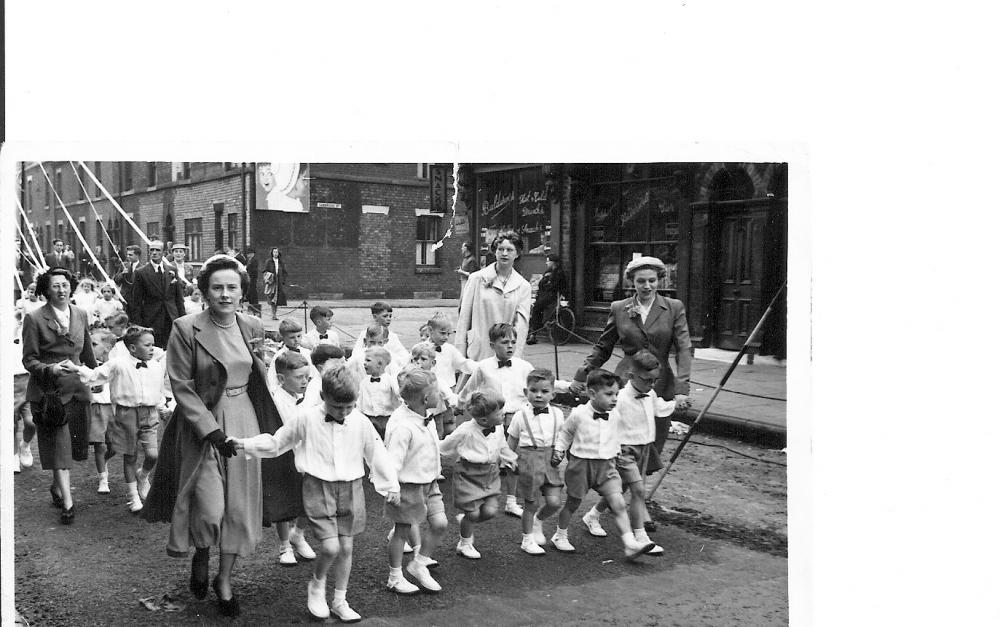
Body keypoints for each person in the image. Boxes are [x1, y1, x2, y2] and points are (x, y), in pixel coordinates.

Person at [141, 254, 301, 619]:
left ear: (243, 291)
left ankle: (224, 579)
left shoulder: (253, 326)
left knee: (239, 508)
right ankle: (201, 552)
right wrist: (211, 432)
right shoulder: (185, 328)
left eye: (232, 287)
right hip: (204, 425)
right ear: (204, 291)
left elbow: (260, 375)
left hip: (244, 418)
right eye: (217, 287)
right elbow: (182, 387)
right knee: (209, 506)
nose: (225, 294)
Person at [235, 366, 400, 621]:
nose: (344, 413)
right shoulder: (306, 418)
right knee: (331, 547)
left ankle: (340, 600)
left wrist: (391, 485)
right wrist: (244, 444)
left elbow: (376, 453)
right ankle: (317, 583)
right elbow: (277, 443)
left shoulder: (360, 421)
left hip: (352, 488)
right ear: (323, 397)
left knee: (346, 547)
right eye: (337, 407)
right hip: (318, 487)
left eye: (349, 407)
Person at [569, 256, 693, 454]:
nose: (647, 286)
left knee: (653, 444)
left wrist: (681, 389)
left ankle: (639, 481)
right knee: (622, 441)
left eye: (652, 280)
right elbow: (603, 347)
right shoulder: (619, 308)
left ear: (660, 280)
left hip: (659, 382)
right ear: (632, 281)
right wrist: (581, 375)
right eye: (640, 281)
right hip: (627, 382)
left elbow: (684, 349)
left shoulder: (673, 307)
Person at [550, 369, 656, 561]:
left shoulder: (615, 415)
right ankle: (560, 534)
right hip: (581, 465)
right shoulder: (579, 414)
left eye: (616, 394)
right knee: (573, 503)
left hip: (607, 465)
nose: (615, 399)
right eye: (609, 394)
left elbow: (618, 436)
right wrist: (559, 450)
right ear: (591, 393)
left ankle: (630, 543)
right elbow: (565, 434)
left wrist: (617, 455)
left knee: (618, 503)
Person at [21, 268, 98, 524]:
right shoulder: (34, 318)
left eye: (65, 285)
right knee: (58, 447)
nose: (62, 290)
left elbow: (87, 353)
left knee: (70, 448)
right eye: (55, 286)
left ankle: (57, 487)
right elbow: (29, 360)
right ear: (46, 289)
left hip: (77, 390)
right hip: (49, 392)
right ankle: (68, 503)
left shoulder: (80, 313)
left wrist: (95, 377)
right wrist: (50, 369)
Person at [579, 351, 673, 555]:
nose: (652, 385)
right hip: (624, 451)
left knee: (619, 490)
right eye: (648, 380)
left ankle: (592, 516)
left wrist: (676, 404)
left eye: (655, 380)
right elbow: (603, 418)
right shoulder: (619, 398)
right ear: (631, 375)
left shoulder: (650, 394)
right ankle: (640, 536)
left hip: (645, 448)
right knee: (639, 491)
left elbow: (659, 408)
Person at [74, 325, 170, 514]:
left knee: (152, 455)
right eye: (148, 345)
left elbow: (158, 390)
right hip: (126, 414)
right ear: (133, 348)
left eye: (153, 345)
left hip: (149, 413)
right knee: (130, 456)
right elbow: (95, 375)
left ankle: (143, 476)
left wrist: (162, 407)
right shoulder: (118, 364)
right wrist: (75, 368)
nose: (153, 349)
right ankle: (133, 496)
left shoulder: (156, 366)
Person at [458, 323, 534, 518]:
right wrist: (460, 404)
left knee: (514, 460)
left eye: (513, 342)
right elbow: (469, 388)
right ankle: (475, 498)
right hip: (493, 420)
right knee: (486, 460)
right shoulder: (484, 367)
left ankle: (511, 500)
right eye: (504, 342)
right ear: (492, 345)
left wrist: (568, 387)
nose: (510, 346)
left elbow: (539, 384)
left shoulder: (524, 367)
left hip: (517, 418)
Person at [383, 367, 448, 594]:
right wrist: (392, 487)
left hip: (430, 483)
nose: (441, 395)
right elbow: (393, 460)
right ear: (426, 398)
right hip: (408, 486)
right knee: (402, 531)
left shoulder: (423, 416)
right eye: (438, 391)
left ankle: (418, 564)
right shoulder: (403, 425)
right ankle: (395, 576)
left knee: (440, 524)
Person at [440, 388, 517, 560]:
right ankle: (465, 543)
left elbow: (502, 446)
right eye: (499, 413)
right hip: (468, 473)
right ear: (483, 419)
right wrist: (432, 448)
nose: (503, 415)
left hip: (490, 473)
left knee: (489, 512)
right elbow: (446, 445)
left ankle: (467, 520)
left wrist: (511, 458)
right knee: (473, 513)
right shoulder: (466, 430)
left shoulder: (496, 428)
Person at [265, 351, 318, 566]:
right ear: (281, 379)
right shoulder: (276, 400)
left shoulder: (306, 397)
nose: (304, 381)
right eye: (299, 377)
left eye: (307, 377)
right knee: (284, 503)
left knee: (309, 501)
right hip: (284, 456)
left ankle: (299, 534)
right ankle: (284, 545)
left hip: (306, 455)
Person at [506, 368, 566, 555]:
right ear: (526, 392)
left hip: (550, 460)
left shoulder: (558, 414)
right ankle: (527, 539)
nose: (538, 395)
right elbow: (512, 441)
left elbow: (562, 437)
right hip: (529, 459)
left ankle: (538, 520)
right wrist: (509, 460)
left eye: (544, 391)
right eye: (534, 390)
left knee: (554, 501)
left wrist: (560, 451)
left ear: (553, 394)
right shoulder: (520, 415)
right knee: (530, 503)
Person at [455, 231, 532, 361]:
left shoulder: (523, 286)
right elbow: (464, 319)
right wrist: (459, 356)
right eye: (500, 249)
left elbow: (521, 326)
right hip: (478, 350)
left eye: (510, 250)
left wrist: (515, 356)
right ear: (495, 251)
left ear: (517, 254)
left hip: (504, 353)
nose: (505, 253)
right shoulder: (477, 279)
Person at [425, 313, 476, 436]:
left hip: (449, 392)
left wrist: (481, 367)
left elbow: (463, 364)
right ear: (430, 330)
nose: (446, 337)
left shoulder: (449, 349)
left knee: (450, 424)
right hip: (433, 394)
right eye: (442, 333)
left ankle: (449, 450)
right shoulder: (422, 350)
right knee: (435, 427)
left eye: (449, 334)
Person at [132, 240, 185, 349]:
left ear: (164, 252)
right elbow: (136, 301)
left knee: (172, 349)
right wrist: (138, 324)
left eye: (158, 250)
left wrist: (183, 320)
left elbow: (179, 298)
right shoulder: (141, 272)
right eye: (152, 250)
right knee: (154, 351)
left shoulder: (172, 270)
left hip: (171, 318)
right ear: (148, 252)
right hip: (152, 320)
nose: (154, 252)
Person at [85, 329, 118, 495]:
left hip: (114, 407)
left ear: (107, 348)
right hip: (97, 407)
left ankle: (102, 462)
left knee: (115, 445)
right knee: (100, 444)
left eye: (94, 344)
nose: (90, 347)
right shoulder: (88, 366)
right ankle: (103, 479)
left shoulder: (115, 365)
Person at [356, 346, 400, 440]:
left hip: (387, 418)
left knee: (388, 439)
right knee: (371, 440)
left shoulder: (390, 380)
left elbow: (399, 396)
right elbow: (360, 401)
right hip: (369, 418)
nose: (364, 363)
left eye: (368, 360)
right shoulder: (364, 382)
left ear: (379, 364)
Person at [526, 254, 568, 345]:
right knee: (536, 309)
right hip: (543, 296)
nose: (546, 263)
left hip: (550, 297)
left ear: (553, 262)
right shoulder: (548, 272)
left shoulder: (559, 273)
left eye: (548, 261)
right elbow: (542, 285)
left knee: (536, 309)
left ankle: (533, 334)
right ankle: (534, 332)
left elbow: (558, 287)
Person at [351, 302, 409, 368]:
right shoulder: (364, 334)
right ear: (375, 317)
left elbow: (404, 356)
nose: (389, 319)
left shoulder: (392, 336)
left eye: (390, 316)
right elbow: (355, 354)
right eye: (385, 316)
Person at [13, 311, 36, 474]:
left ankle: (25, 445)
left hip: (27, 381)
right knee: (11, 424)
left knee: (32, 422)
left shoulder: (24, 332)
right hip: (8, 382)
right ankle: (13, 456)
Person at [265, 318, 316, 393]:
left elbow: (314, 374)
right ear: (283, 338)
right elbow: (272, 380)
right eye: (292, 337)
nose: (296, 340)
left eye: (299, 336)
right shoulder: (279, 356)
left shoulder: (307, 353)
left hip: (309, 391)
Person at [114, 244, 143, 323]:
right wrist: (122, 274)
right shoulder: (124, 265)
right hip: (125, 300)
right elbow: (116, 280)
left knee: (136, 321)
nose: (128, 256)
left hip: (137, 301)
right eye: (127, 254)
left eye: (131, 255)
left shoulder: (143, 268)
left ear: (137, 255)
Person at [263, 247, 288, 320]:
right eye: (274, 252)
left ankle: (274, 315)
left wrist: (283, 280)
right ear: (272, 253)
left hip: (279, 282)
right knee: (271, 297)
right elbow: (265, 271)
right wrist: (269, 277)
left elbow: (284, 272)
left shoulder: (280, 262)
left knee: (277, 299)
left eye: (277, 252)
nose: (275, 254)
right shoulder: (269, 261)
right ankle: (273, 314)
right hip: (272, 282)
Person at [241, 247, 260, 316]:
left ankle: (254, 312)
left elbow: (253, 271)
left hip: (252, 281)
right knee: (250, 296)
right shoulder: (250, 260)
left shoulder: (254, 261)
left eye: (249, 254)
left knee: (253, 296)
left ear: (252, 254)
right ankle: (251, 312)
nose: (247, 255)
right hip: (249, 281)